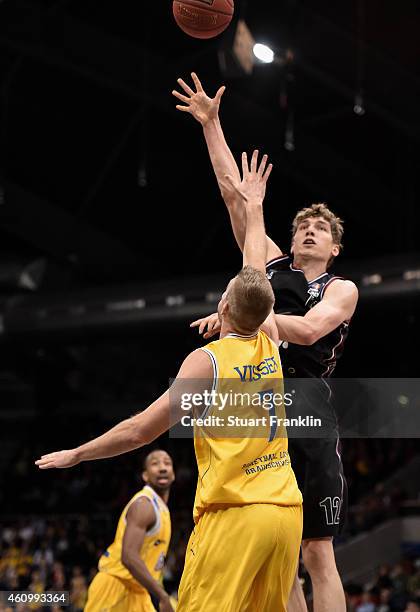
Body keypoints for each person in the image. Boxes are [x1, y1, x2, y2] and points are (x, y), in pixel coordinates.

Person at [36, 151, 303, 612]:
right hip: (284, 513)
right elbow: (255, 259)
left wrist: (78, 454)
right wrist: (254, 204)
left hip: (234, 516)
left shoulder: (208, 361)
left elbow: (141, 430)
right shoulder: (270, 336)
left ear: (223, 309)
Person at [172, 72, 359, 612]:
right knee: (281, 548)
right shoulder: (271, 264)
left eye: (320, 229)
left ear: (335, 248)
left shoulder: (340, 288)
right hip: (260, 396)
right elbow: (235, 194)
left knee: (317, 553)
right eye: (302, 225)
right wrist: (212, 125)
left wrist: (242, 313)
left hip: (307, 402)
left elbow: (305, 330)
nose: (308, 231)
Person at [84, 449, 175, 612]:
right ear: (145, 476)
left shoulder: (163, 510)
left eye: (167, 463)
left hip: (139, 593)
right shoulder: (144, 505)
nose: (162, 468)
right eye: (155, 464)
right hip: (115, 586)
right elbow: (129, 556)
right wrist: (162, 596)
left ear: (173, 474)